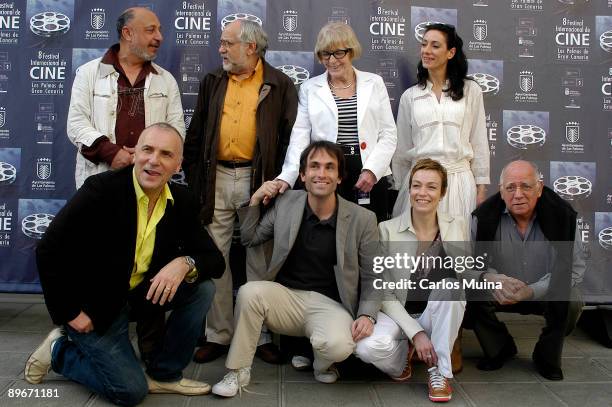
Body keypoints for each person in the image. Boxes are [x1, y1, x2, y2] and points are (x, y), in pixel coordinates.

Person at [26, 123, 225, 406]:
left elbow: (214, 260)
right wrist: (69, 313)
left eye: (166, 154)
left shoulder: (181, 201)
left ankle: (165, 374)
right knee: (130, 391)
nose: (154, 160)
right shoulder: (101, 190)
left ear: (178, 163)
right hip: (93, 309)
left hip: (136, 298)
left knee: (202, 287)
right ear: (135, 154)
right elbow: (48, 249)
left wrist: (185, 262)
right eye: (147, 150)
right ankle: (60, 349)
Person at [210, 141, 380, 397]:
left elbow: (374, 273)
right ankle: (237, 371)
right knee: (249, 292)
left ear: (340, 177)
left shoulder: (362, 219)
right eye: (314, 166)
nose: (321, 173)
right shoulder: (287, 203)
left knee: (338, 346)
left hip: (331, 306)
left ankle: (322, 364)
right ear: (302, 175)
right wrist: (255, 199)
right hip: (287, 301)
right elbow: (250, 238)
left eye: (329, 167)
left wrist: (368, 315)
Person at [183, 19, 298, 364]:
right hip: (215, 177)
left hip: (258, 180)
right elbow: (196, 133)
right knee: (214, 257)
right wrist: (194, 178)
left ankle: (259, 334)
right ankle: (218, 334)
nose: (220, 49)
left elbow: (292, 140)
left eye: (227, 43)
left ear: (250, 47)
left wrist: (278, 181)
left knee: (258, 258)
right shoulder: (212, 80)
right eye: (221, 42)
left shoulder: (279, 84)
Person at [355, 158, 466, 402]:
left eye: (431, 187)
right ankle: (401, 360)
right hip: (397, 316)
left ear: (443, 192)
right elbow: (382, 290)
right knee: (365, 348)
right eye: (416, 185)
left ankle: (440, 372)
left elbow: (465, 274)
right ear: (409, 189)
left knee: (452, 288)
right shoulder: (386, 230)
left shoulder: (457, 226)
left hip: (435, 315)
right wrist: (415, 333)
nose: (422, 193)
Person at [465, 160, 585, 381]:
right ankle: (499, 348)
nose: (517, 194)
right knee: (469, 290)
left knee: (573, 299)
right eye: (510, 187)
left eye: (526, 186)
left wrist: (531, 291)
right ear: (501, 192)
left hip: (544, 291)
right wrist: (493, 279)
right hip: (501, 291)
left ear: (539, 188)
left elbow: (575, 270)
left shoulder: (563, 217)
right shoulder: (483, 217)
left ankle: (545, 355)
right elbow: (470, 266)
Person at [275, 22, 397, 222]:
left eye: (338, 53)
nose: (332, 60)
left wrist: (372, 170)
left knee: (368, 235)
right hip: (328, 171)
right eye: (325, 54)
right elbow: (300, 137)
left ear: (351, 51)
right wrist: (287, 176)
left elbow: (389, 134)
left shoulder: (374, 83)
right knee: (327, 236)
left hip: (368, 171)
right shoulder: (309, 88)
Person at [67, 7, 185, 189]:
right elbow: (76, 124)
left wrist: (146, 156)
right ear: (128, 33)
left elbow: (176, 129)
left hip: (150, 180)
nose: (159, 37)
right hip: (100, 178)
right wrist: (112, 153)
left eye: (159, 30)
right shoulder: (88, 73)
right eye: (150, 30)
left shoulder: (166, 79)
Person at [392, 23, 489, 220]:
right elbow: (401, 149)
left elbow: (479, 141)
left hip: (459, 182)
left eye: (435, 46)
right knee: (415, 247)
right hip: (420, 184)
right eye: (424, 44)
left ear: (451, 52)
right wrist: (402, 186)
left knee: (456, 247)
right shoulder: (410, 96)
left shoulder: (471, 91)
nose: (427, 51)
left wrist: (481, 188)